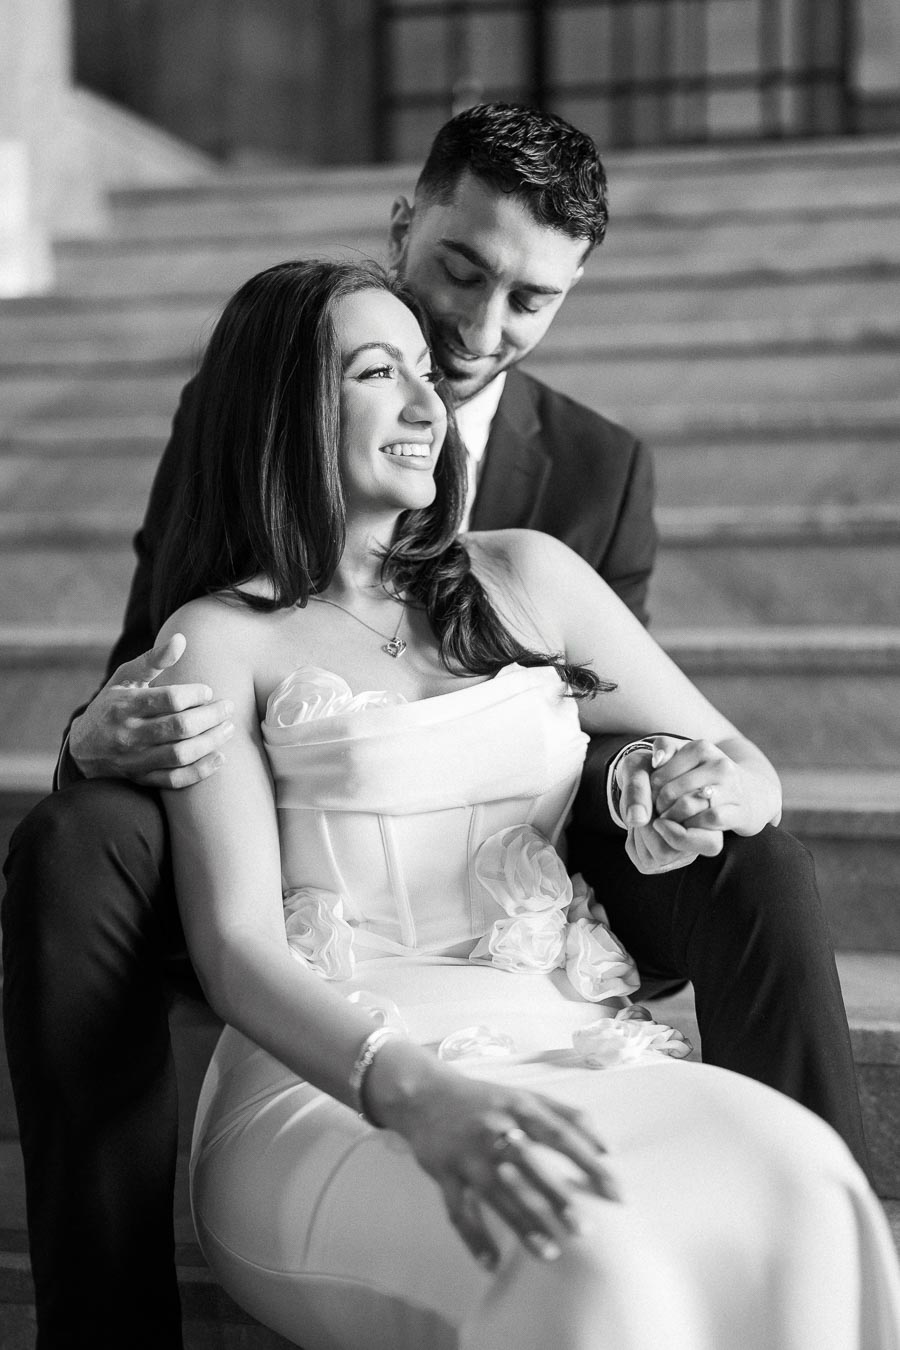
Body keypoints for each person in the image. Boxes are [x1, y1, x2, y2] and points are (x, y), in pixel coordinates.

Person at [0, 104, 870, 1347]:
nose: (464, 349)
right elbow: (155, 689)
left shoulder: (558, 526)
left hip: (536, 934)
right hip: (326, 956)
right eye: (454, 283)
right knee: (74, 840)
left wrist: (675, 788)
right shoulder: (225, 620)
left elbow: (624, 731)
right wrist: (100, 735)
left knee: (791, 1164)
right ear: (410, 224)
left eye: (529, 303)